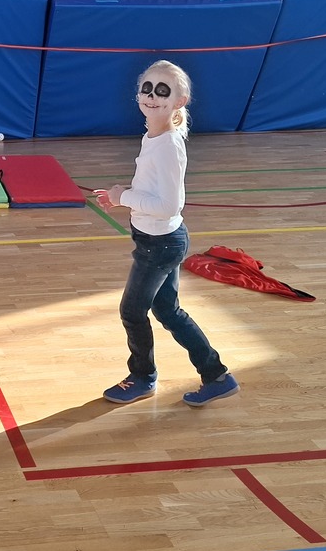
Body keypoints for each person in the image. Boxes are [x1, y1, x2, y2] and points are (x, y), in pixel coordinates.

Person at [95, 60, 239, 408]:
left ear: (179, 101)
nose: (152, 96)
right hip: (157, 241)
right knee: (169, 311)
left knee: (132, 311)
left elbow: (169, 205)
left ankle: (142, 376)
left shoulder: (168, 146)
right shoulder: (154, 137)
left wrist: (123, 197)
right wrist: (125, 196)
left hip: (159, 246)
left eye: (163, 91)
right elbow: (154, 193)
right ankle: (217, 376)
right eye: (147, 88)